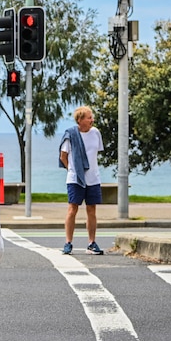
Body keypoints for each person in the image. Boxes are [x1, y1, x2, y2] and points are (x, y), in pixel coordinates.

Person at [58, 105, 105, 255]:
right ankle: (68, 242)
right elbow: (63, 156)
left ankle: (91, 243)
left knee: (92, 210)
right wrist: (73, 170)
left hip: (93, 178)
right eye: (89, 117)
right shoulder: (70, 135)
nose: (92, 120)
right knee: (73, 209)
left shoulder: (96, 133)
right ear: (80, 120)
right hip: (75, 179)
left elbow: (95, 153)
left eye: (92, 117)